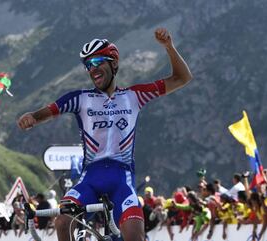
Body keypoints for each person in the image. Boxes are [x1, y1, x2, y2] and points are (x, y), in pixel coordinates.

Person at [17, 28, 192, 241]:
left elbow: (182, 78)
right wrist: (32, 117)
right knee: (63, 221)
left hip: (122, 180)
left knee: (134, 235)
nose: (93, 69)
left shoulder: (134, 96)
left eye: (98, 61)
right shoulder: (80, 98)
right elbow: (48, 111)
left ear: (114, 63)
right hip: (90, 179)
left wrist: (169, 47)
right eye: (88, 65)